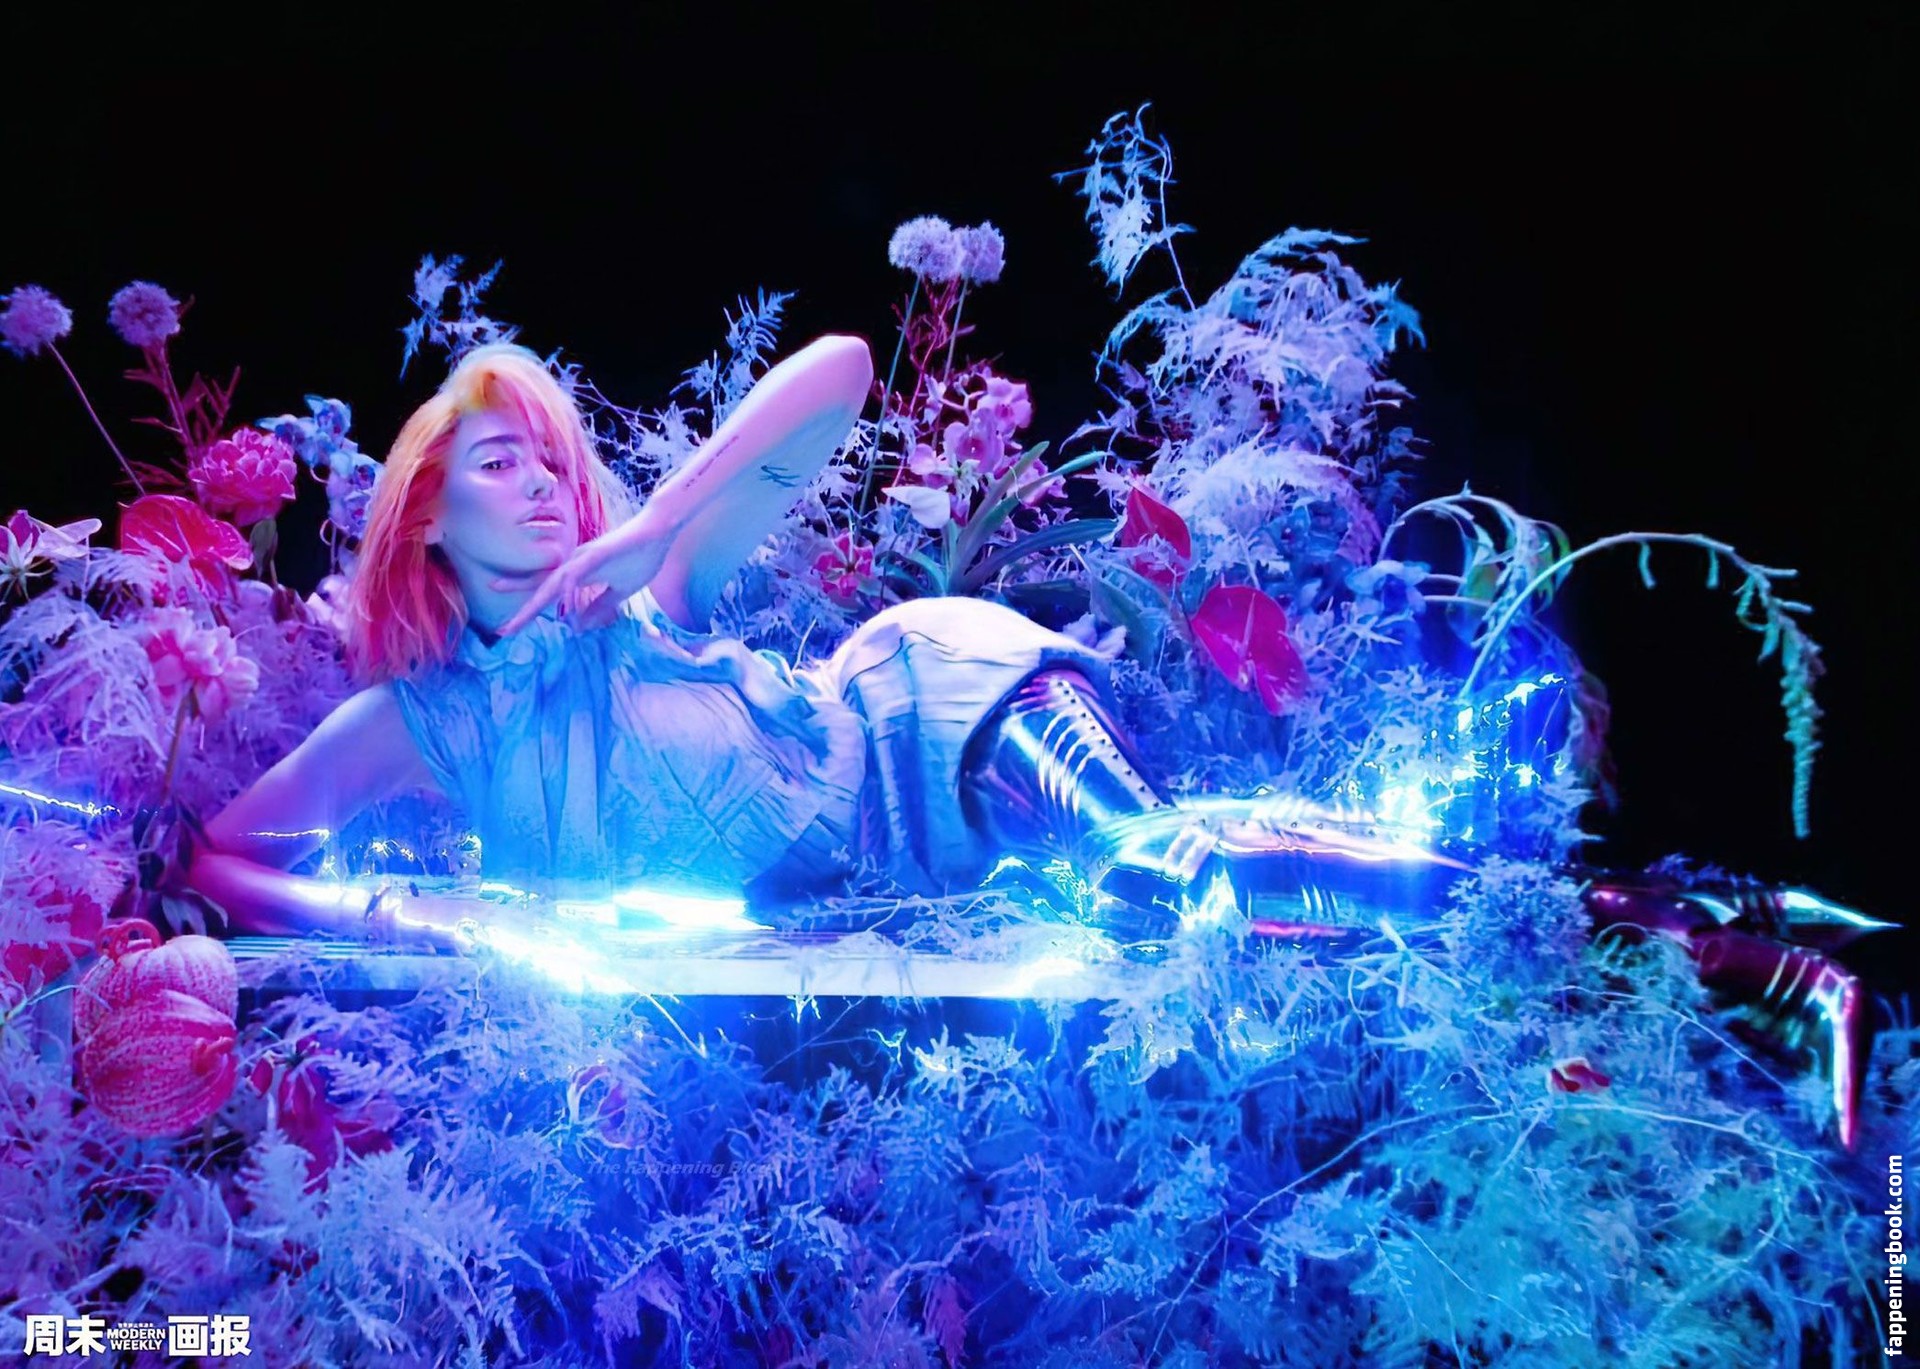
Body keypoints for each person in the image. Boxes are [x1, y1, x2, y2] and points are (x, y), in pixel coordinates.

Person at [184, 337, 1881, 1145]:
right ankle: (1679, 932)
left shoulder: (648, 595)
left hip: (929, 710)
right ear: (422, 516)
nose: (544, 482)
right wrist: (398, 916)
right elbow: (230, 855)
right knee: (1205, 894)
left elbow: (843, 370)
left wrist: (654, 522)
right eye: (500, 463)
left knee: (1179, 871)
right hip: (917, 886)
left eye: (554, 457)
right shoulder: (418, 727)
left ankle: (1721, 953)